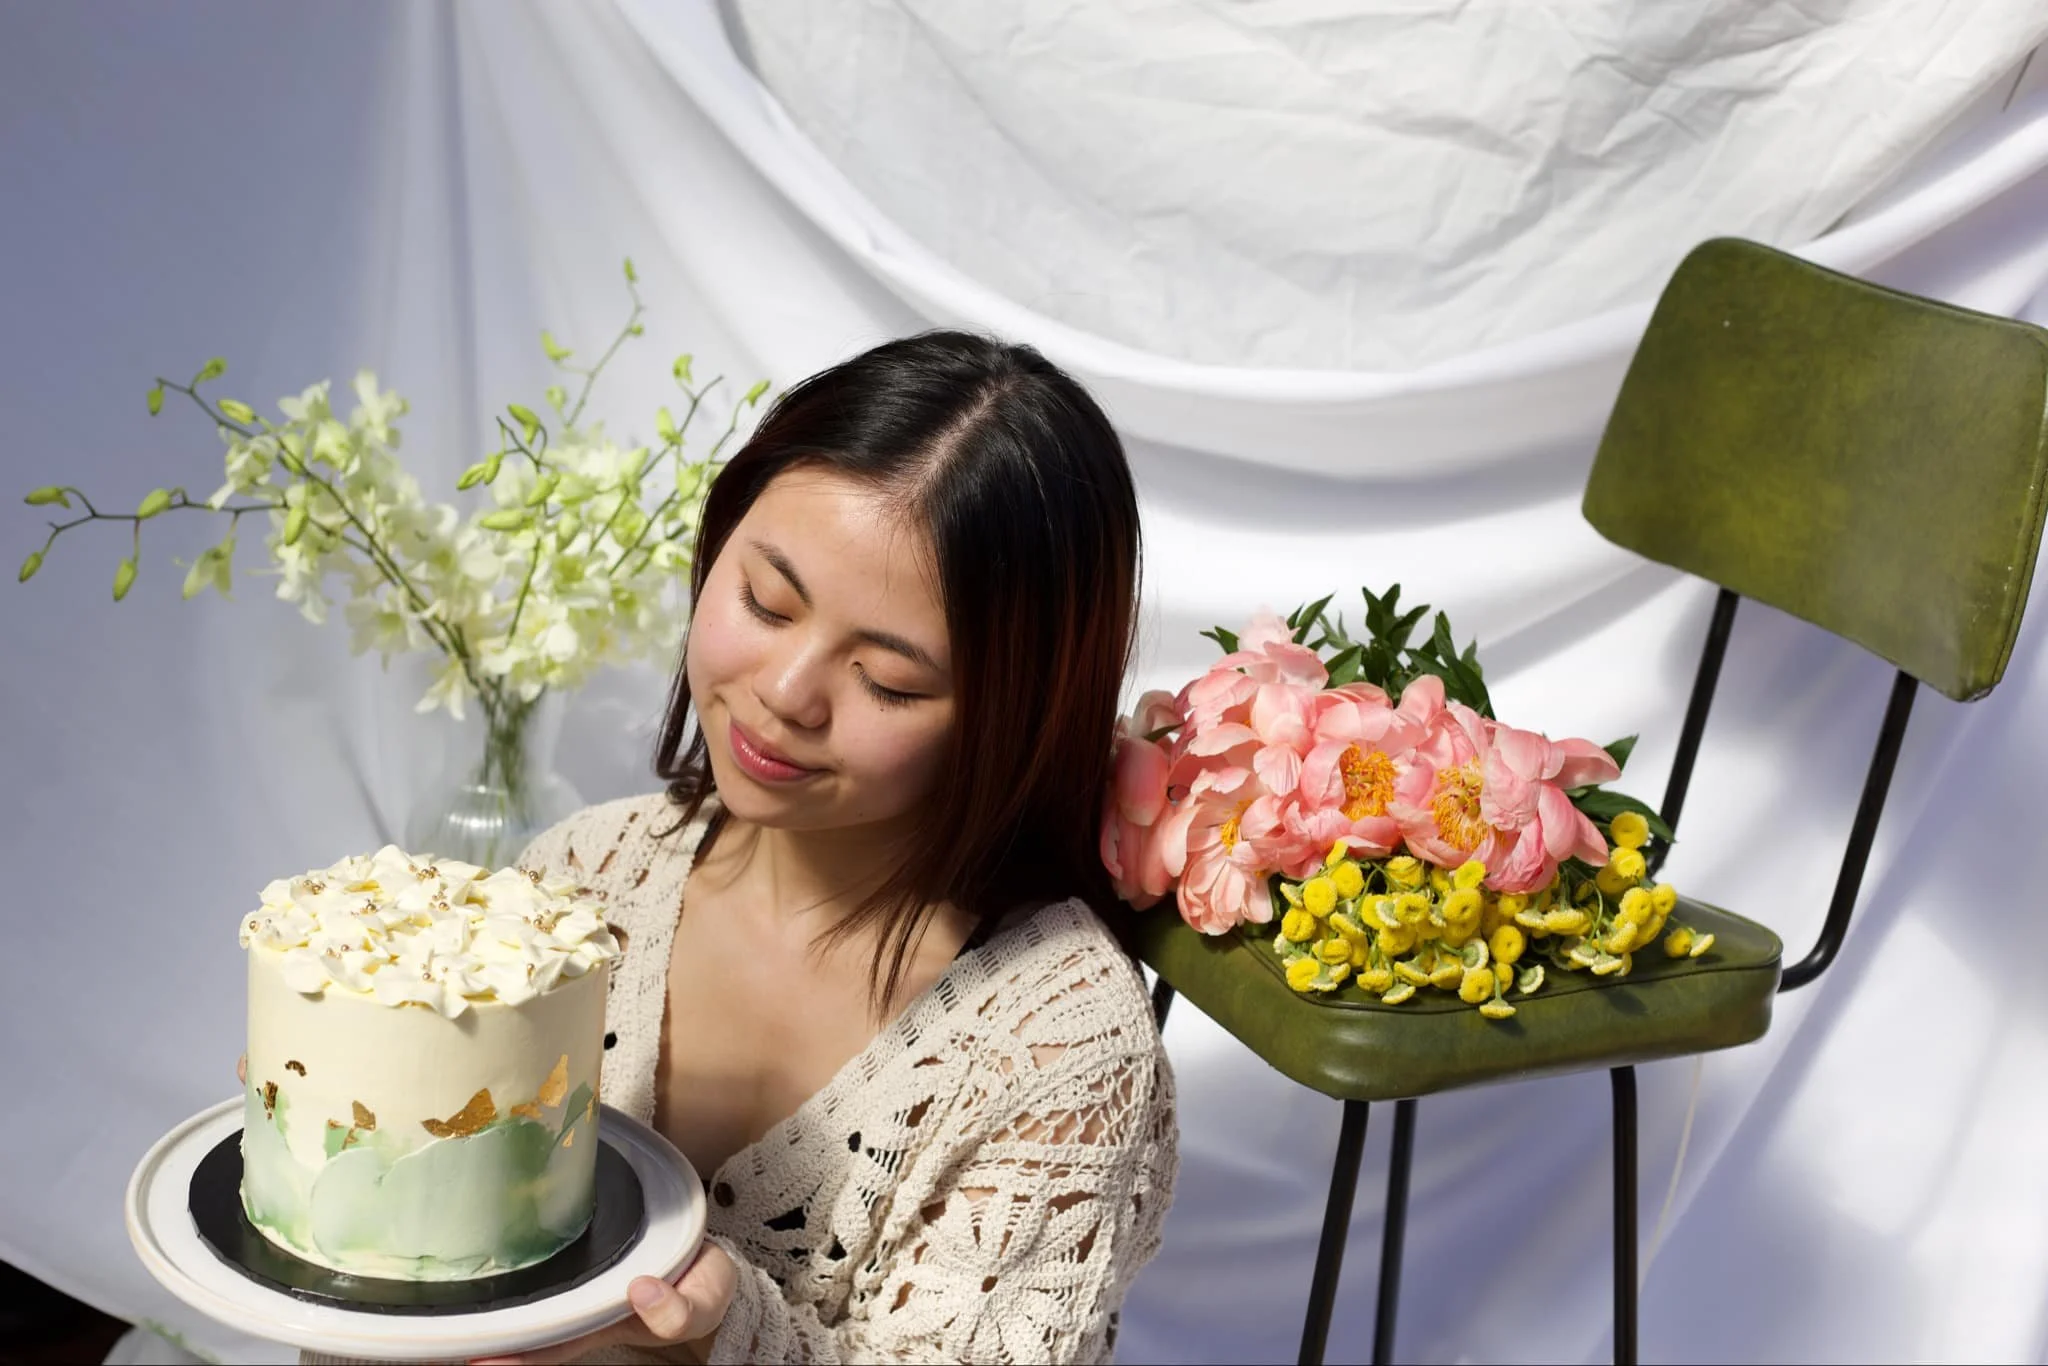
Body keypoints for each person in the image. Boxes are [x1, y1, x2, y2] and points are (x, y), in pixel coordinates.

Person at [470, 331, 1177, 1364]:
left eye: (889, 681)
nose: (786, 693)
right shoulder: (579, 877)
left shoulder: (1061, 1050)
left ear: (1010, 716)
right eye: (765, 600)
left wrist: (717, 1340)